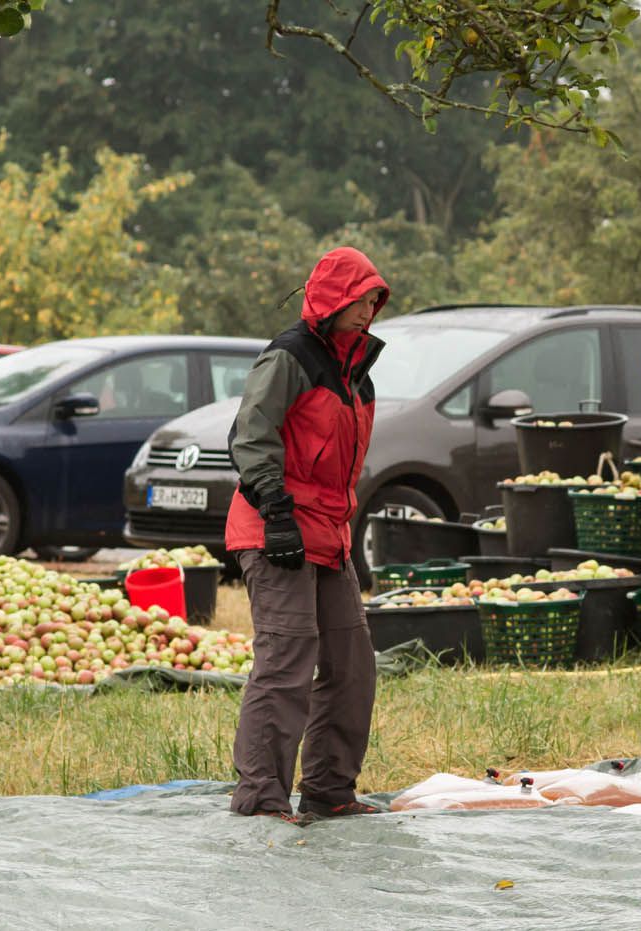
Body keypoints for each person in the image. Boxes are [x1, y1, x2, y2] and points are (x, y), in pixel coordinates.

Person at [223, 246, 387, 824]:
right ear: (332, 297)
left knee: (352, 666)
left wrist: (340, 531)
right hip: (274, 529)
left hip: (330, 536)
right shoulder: (289, 356)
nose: (368, 310)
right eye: (360, 299)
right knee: (287, 662)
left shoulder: (359, 371)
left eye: (375, 300)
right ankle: (262, 798)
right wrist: (275, 509)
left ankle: (328, 791)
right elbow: (248, 433)